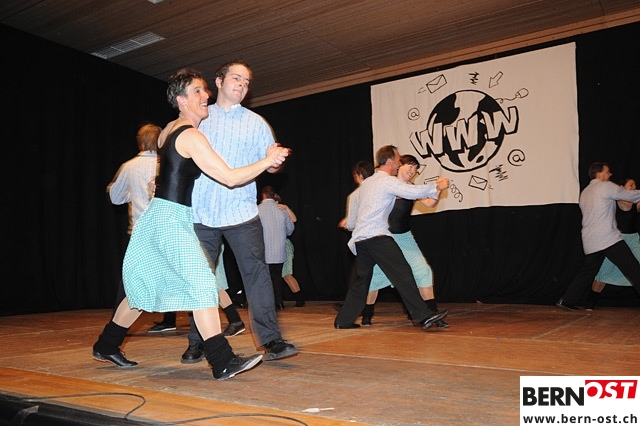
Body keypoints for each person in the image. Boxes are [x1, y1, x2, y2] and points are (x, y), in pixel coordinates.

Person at [92, 68, 289, 380]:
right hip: (170, 220)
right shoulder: (191, 136)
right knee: (203, 285)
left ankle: (106, 344)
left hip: (163, 216)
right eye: (197, 91)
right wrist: (267, 160)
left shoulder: (171, 129)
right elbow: (229, 178)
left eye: (204, 90)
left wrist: (159, 181)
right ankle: (222, 360)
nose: (205, 95)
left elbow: (167, 163)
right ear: (181, 100)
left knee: (144, 288)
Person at [189, 59, 298, 361]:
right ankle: (198, 341)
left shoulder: (257, 123)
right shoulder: (199, 118)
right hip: (201, 214)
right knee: (200, 280)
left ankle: (271, 340)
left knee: (258, 275)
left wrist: (276, 160)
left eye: (246, 82)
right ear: (219, 81)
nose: (241, 85)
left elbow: (272, 165)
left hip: (241, 213)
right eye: (236, 78)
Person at [334, 145, 449, 329]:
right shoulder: (386, 181)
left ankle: (343, 321)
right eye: (397, 160)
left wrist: (347, 224)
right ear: (389, 162)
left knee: (361, 282)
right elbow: (412, 192)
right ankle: (423, 315)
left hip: (361, 239)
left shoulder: (365, 185)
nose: (398, 164)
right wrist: (436, 186)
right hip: (377, 237)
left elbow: (352, 221)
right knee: (403, 274)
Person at [557, 163, 640, 311]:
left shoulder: (585, 192)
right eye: (607, 172)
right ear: (599, 174)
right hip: (607, 238)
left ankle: (567, 299)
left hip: (590, 240)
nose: (610, 175)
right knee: (633, 268)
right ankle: (569, 300)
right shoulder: (605, 186)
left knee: (588, 271)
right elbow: (630, 196)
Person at [107, 122, 162, 311]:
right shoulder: (166, 165)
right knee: (178, 276)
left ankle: (117, 322)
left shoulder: (129, 166)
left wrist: (132, 192)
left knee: (131, 278)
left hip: (141, 231)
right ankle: (192, 325)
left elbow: (115, 198)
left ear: (141, 143)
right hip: (166, 229)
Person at [587, 177, 640, 309]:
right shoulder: (613, 202)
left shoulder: (637, 202)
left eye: (635, 185)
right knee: (604, 272)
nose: (634, 187)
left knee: (637, 270)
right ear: (622, 187)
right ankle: (591, 301)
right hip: (616, 240)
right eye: (631, 185)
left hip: (633, 239)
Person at [258, 185, 295, 310]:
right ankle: (279, 303)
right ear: (274, 195)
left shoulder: (257, 210)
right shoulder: (282, 209)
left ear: (263, 195)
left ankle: (267, 304)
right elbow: (290, 230)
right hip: (279, 250)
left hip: (263, 251)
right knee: (277, 277)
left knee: (264, 279)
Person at [274, 193, 305, 307]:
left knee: (287, 274)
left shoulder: (283, 209)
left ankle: (300, 298)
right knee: (279, 275)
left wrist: (286, 208)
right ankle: (278, 301)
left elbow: (294, 219)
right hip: (273, 246)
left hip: (284, 245)